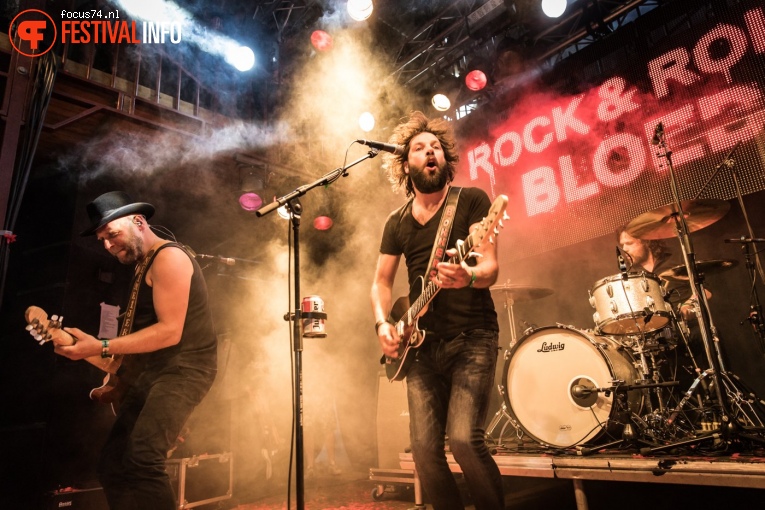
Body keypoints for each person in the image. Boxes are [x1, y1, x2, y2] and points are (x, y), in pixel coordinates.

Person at [370, 112, 504, 510]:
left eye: (436, 148)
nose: (430, 152)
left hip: (472, 337)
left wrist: (470, 276)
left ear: (445, 161)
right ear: (404, 164)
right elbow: (380, 282)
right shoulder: (396, 222)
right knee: (423, 452)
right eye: (418, 148)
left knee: (464, 440)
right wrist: (383, 323)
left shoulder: (473, 201)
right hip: (421, 347)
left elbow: (490, 267)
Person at [53, 191, 217, 510]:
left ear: (138, 222)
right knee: (112, 466)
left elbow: (170, 332)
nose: (108, 245)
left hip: (184, 371)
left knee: (143, 461)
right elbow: (127, 357)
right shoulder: (141, 266)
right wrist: (81, 347)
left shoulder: (169, 257)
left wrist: (99, 344)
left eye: (112, 234)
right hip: (151, 373)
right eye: (102, 239)